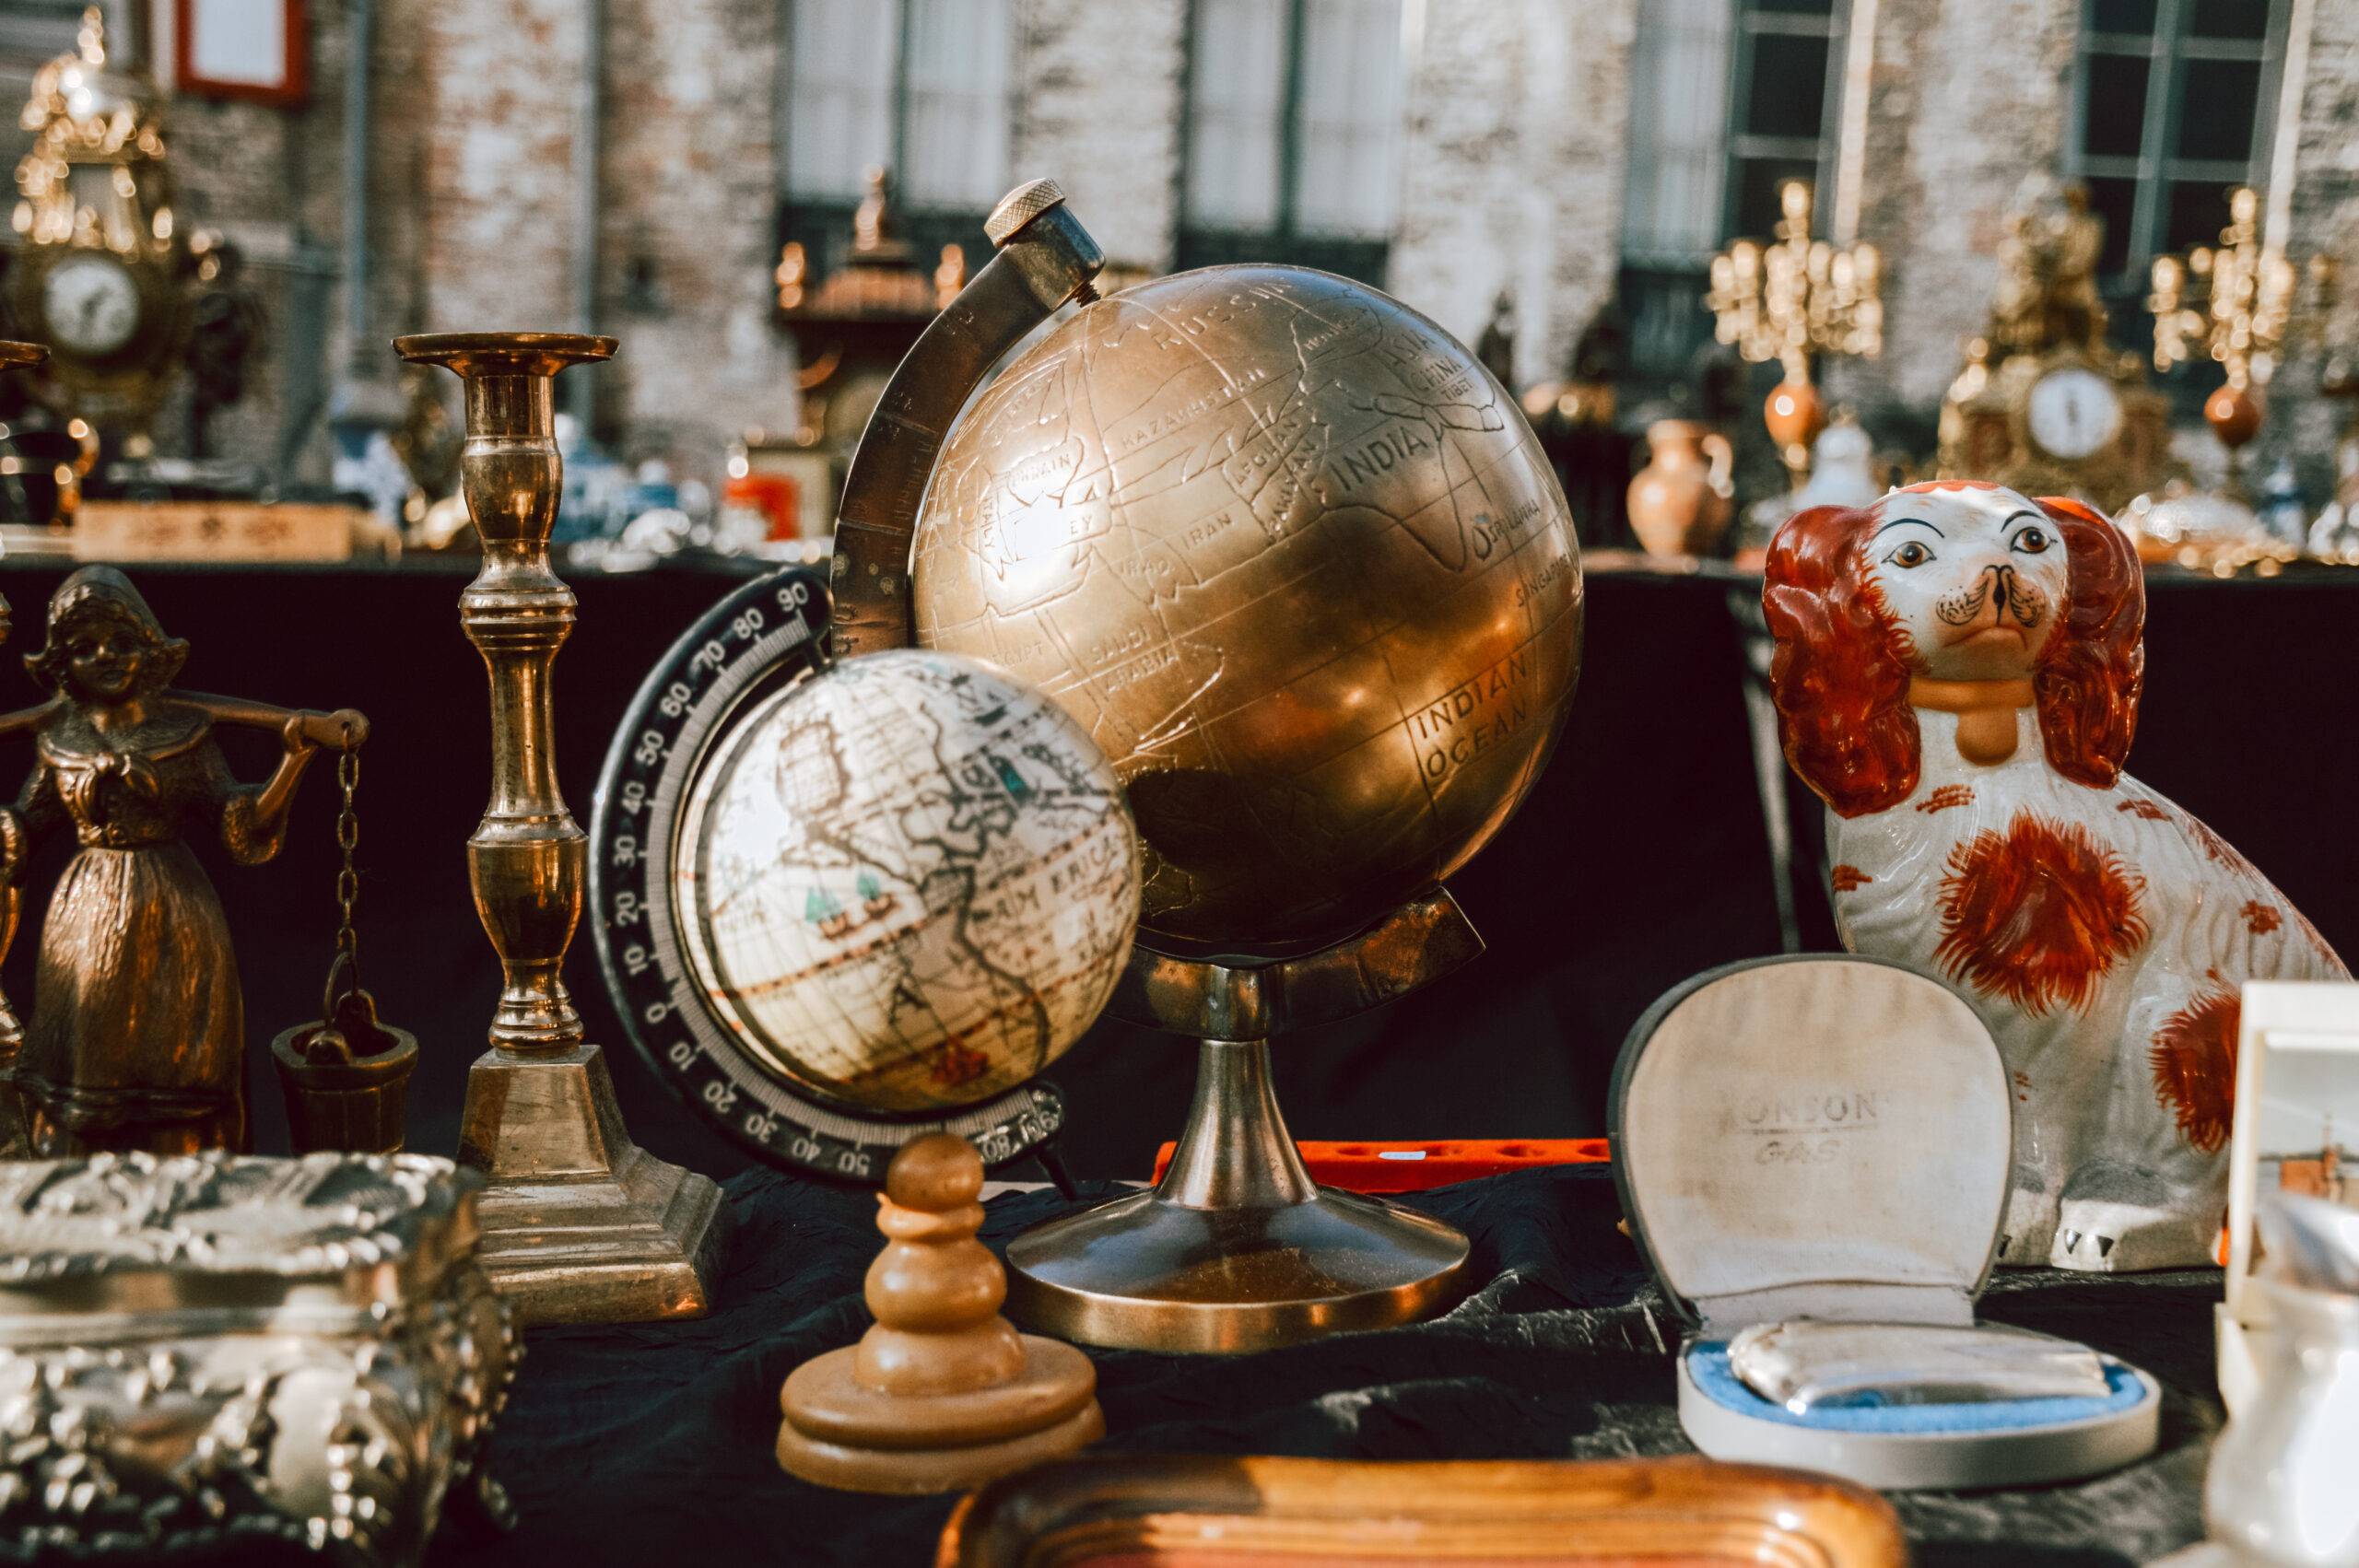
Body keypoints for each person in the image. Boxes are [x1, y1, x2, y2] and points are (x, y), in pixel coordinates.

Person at [0, 567, 366, 1154]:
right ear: (63, 664)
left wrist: (292, 763)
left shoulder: (184, 736)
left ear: (150, 650)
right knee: (89, 1050)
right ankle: (84, 1179)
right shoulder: (62, 743)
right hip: (83, 924)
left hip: (176, 914)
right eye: (85, 648)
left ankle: (189, 1166)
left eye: (122, 642)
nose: (106, 657)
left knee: (176, 1053)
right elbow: (25, 824)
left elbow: (238, 824)